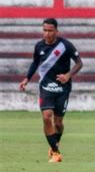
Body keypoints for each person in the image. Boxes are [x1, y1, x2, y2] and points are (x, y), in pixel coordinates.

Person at [19, 18, 83, 163]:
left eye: (50, 30)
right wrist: (27, 79)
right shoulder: (39, 46)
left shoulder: (65, 45)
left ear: (56, 31)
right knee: (47, 116)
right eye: (45, 30)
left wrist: (68, 75)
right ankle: (55, 152)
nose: (47, 33)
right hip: (46, 86)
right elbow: (35, 62)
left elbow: (79, 63)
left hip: (62, 88)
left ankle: (55, 143)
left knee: (58, 122)